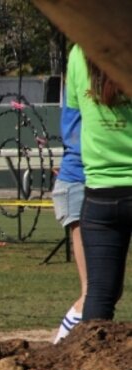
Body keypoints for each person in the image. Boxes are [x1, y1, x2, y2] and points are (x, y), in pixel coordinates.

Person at [65, 44, 132, 322]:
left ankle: (91, 363)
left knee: (99, 295)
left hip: (100, 197)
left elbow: (73, 120)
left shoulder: (79, 54)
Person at [51, 88, 87, 343]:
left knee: (103, 290)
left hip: (90, 184)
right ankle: (60, 350)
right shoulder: (85, 65)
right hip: (82, 183)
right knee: (95, 291)